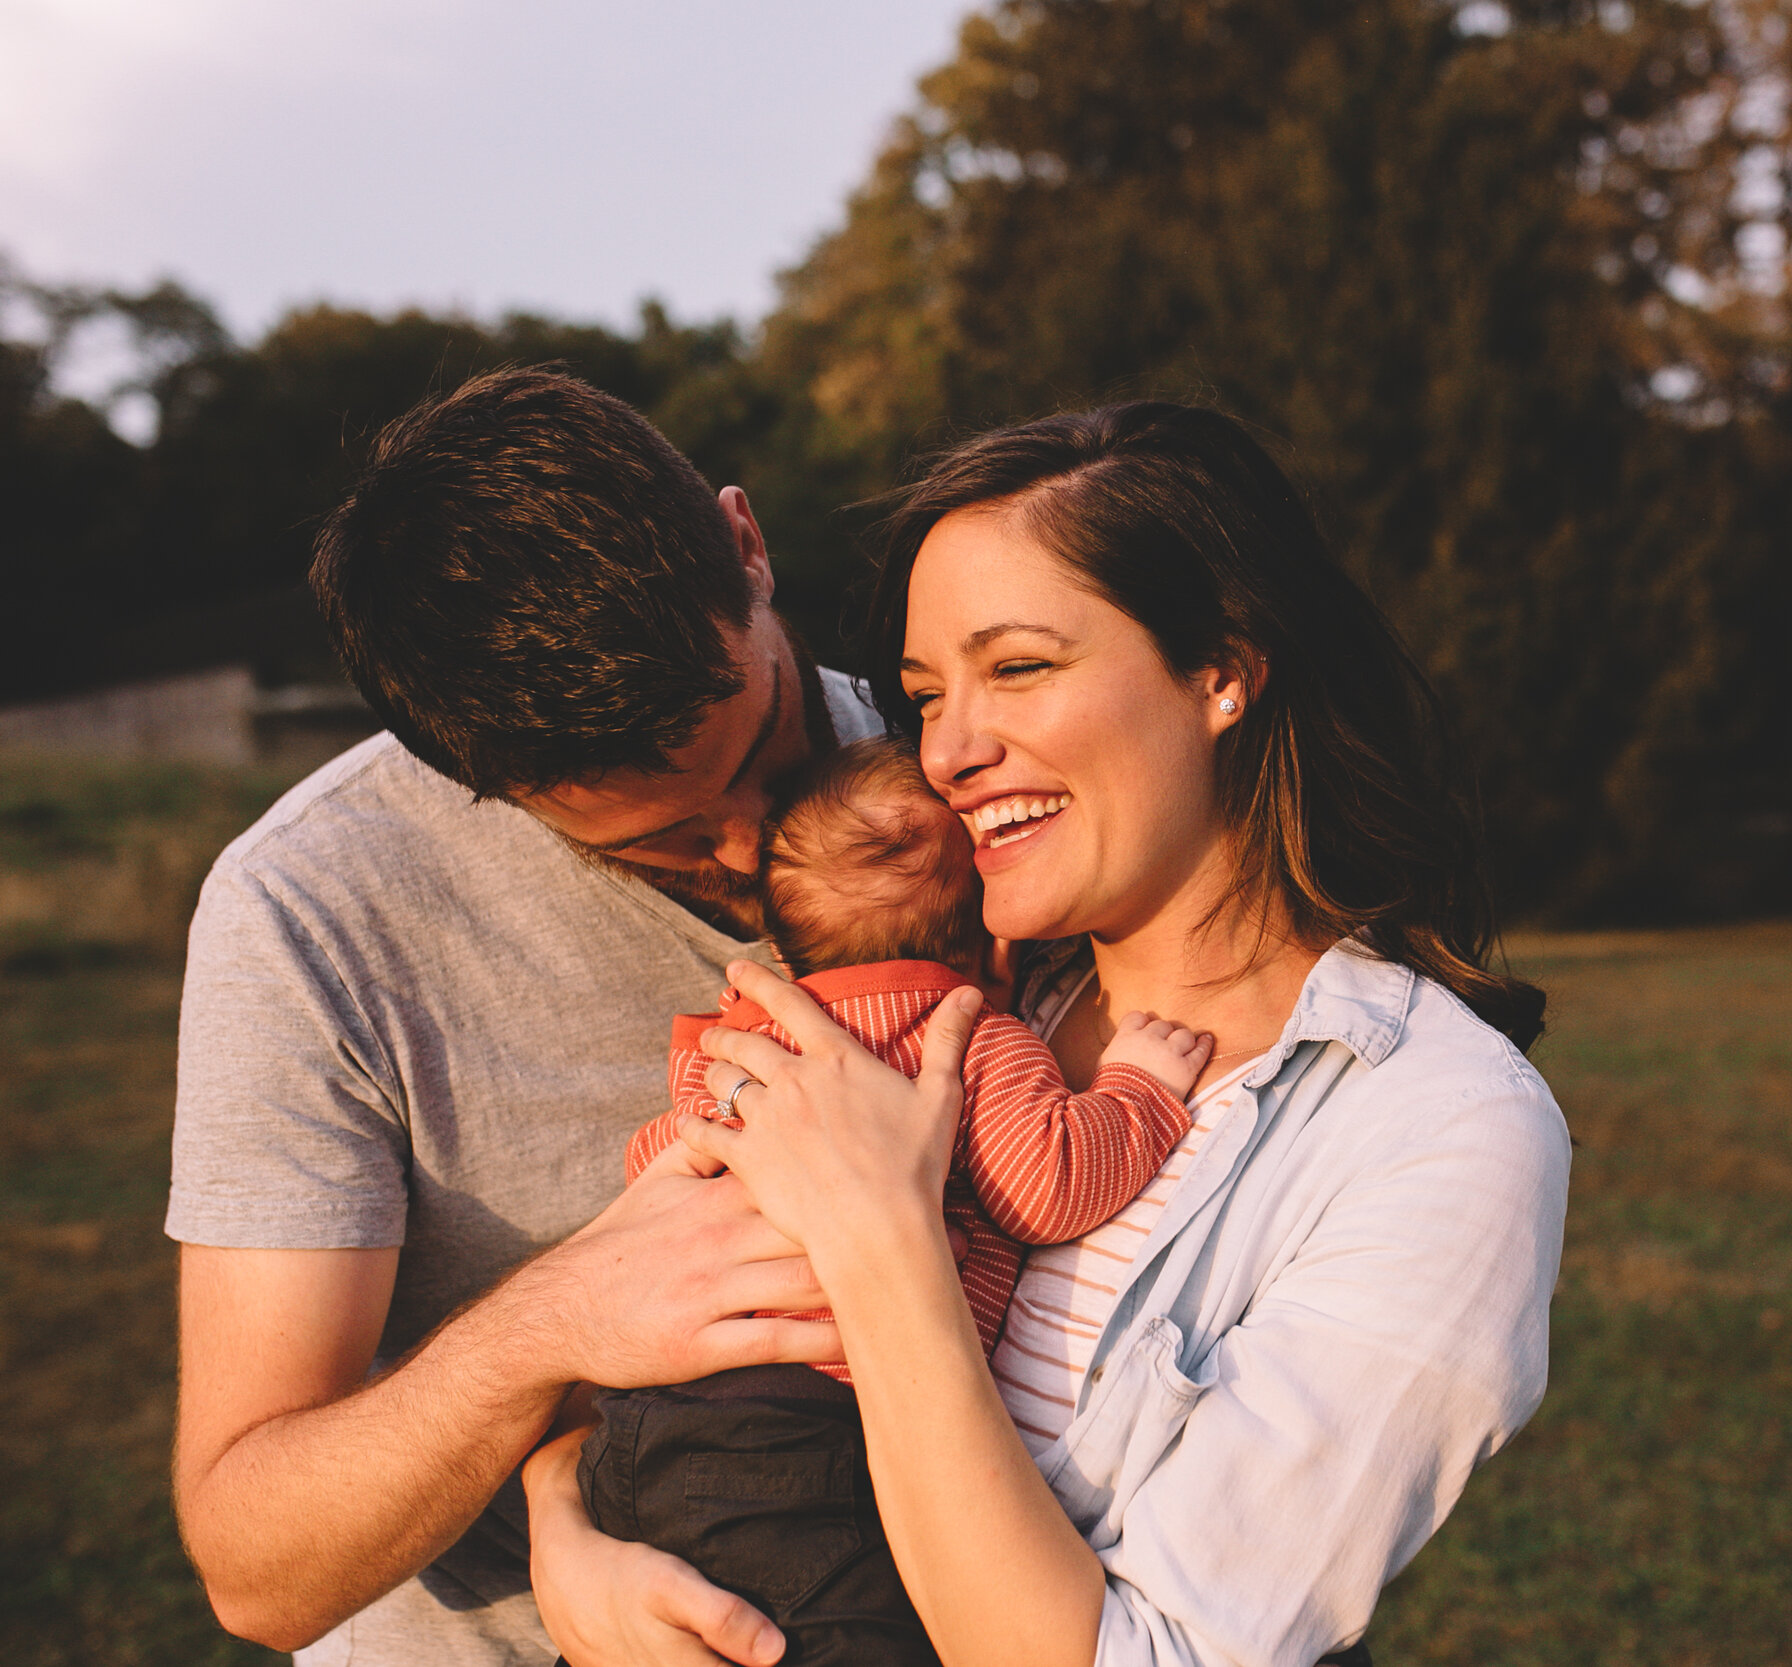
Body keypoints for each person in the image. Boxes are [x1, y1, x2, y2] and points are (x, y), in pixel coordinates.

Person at [524, 401, 1571, 1667]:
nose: (949, 750)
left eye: (1016, 666)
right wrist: (565, 1526)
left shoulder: (1438, 1124)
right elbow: (650, 1319)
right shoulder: (963, 995)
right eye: (922, 695)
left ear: (1221, 671)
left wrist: (882, 1233)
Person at [167, 366, 894, 1666]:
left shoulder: (956, 775)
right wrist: (552, 1320)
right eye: (663, 837)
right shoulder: (307, 914)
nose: (745, 845)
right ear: (478, 783)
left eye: (765, 738)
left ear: (747, 543)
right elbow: (255, 1567)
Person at [579, 736, 1210, 1665]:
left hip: (647, 1426)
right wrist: (1141, 1092)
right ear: (1000, 948)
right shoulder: (962, 1038)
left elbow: (654, 1167)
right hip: (812, 1438)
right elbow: (1046, 1187)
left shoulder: (743, 1046)